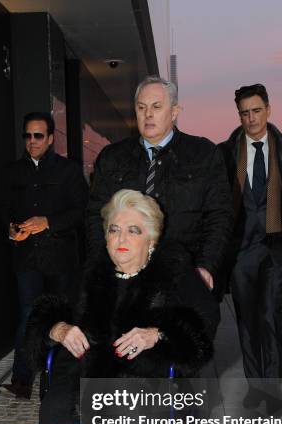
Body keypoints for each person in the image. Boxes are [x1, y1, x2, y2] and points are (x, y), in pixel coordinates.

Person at [15, 189, 214, 424]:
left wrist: (157, 333)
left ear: (152, 239)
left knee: (145, 403)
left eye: (133, 231)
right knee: (57, 400)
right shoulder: (91, 270)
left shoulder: (175, 271)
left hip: (147, 375)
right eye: (114, 230)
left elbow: (202, 328)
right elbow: (46, 312)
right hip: (90, 372)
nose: (121, 240)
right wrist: (58, 328)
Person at [87, 76, 233, 338]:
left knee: (178, 354)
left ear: (175, 111)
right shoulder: (112, 158)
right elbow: (94, 216)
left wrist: (205, 266)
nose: (148, 115)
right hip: (126, 281)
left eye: (157, 107)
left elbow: (219, 216)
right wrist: (104, 265)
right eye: (141, 108)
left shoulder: (204, 155)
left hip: (183, 278)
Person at [220, 84, 282, 386]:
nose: (251, 118)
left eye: (256, 111)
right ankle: (256, 382)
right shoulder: (225, 152)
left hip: (276, 248)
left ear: (268, 110)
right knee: (247, 321)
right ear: (239, 116)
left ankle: (271, 387)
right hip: (241, 250)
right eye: (245, 113)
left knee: (272, 314)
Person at [0, 111, 88, 399]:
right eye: (27, 135)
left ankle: (61, 379)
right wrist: (12, 230)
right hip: (26, 258)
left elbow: (81, 211)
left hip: (61, 259)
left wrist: (48, 222)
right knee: (28, 314)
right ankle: (22, 379)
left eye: (38, 135)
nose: (32, 141)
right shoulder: (12, 172)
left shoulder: (69, 171)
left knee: (62, 316)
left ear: (50, 138)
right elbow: (3, 211)